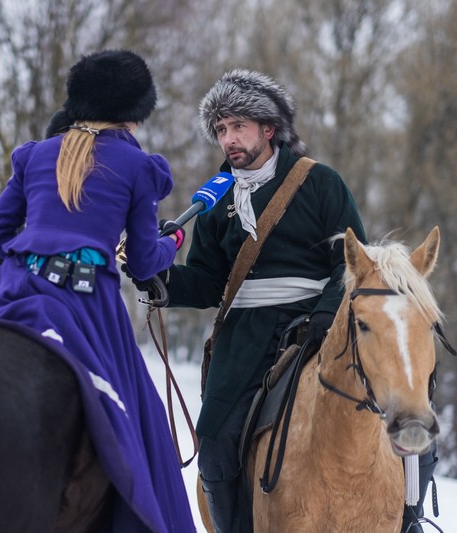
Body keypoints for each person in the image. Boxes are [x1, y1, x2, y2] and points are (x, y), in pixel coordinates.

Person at [161, 69, 436, 532]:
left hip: (319, 326)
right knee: (214, 441)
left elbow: (352, 264)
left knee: (412, 416)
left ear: (268, 129)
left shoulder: (320, 183)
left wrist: (325, 318)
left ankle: (406, 519)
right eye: (221, 129)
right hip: (244, 337)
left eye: (238, 126)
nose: (229, 138)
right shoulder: (213, 200)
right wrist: (159, 280)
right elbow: (209, 282)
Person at [0, 50, 194, 532]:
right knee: (139, 421)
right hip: (86, 300)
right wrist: (172, 242)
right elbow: (147, 259)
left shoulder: (36, 154)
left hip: (17, 285)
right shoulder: (137, 165)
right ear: (135, 111)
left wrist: (37, 249)